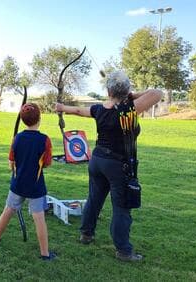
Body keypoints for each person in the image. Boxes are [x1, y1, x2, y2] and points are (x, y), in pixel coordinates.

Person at [55, 71, 163, 262]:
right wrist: (132, 94)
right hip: (117, 164)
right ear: (127, 90)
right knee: (121, 208)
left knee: (94, 199)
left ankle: (86, 234)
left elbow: (80, 111)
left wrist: (62, 107)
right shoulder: (130, 108)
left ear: (108, 90)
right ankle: (123, 250)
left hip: (97, 161)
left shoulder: (99, 109)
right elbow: (157, 93)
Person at [0, 103, 56, 261]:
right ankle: (45, 254)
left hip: (17, 185)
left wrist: (15, 164)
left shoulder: (17, 138)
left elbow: (11, 162)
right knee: (39, 218)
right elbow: (47, 163)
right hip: (35, 186)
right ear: (40, 118)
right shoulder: (44, 140)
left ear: (23, 120)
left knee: (7, 210)